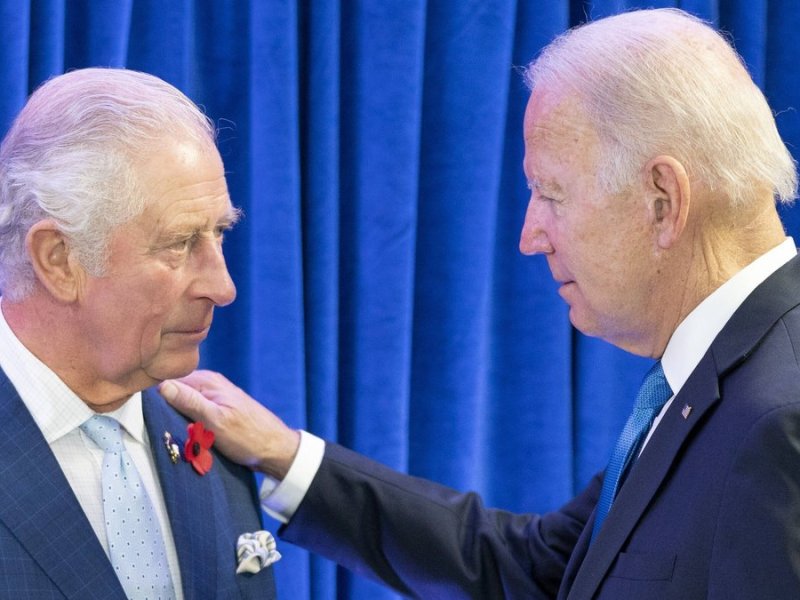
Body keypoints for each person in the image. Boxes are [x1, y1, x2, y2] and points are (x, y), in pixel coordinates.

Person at [161, 8, 800, 599]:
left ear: (663, 201)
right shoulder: (709, 381)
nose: (529, 236)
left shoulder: (779, 421)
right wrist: (285, 454)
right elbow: (537, 566)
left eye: (550, 193)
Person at [0, 68, 277, 599]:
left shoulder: (217, 441)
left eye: (219, 233)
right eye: (178, 243)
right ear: (60, 260)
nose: (223, 288)